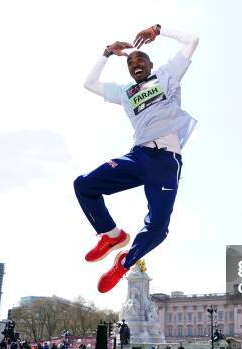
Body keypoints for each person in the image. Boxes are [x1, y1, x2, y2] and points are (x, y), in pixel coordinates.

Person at [76, 24, 199, 293]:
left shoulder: (167, 75)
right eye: (131, 62)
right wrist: (107, 52)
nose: (135, 63)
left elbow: (192, 40)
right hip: (139, 156)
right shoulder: (124, 93)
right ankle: (111, 235)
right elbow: (89, 84)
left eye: (140, 58)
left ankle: (124, 262)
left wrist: (160, 30)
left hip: (166, 162)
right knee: (84, 185)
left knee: (158, 227)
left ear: (150, 63)